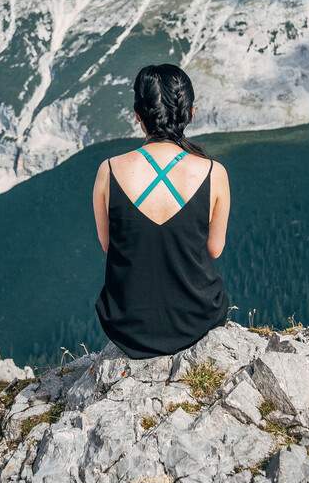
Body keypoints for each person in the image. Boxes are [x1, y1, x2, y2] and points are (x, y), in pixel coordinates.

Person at [92, 63, 233, 359]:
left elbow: (109, 246)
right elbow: (215, 248)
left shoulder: (108, 171)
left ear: (137, 116)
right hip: (197, 319)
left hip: (127, 325)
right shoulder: (213, 172)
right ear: (190, 113)